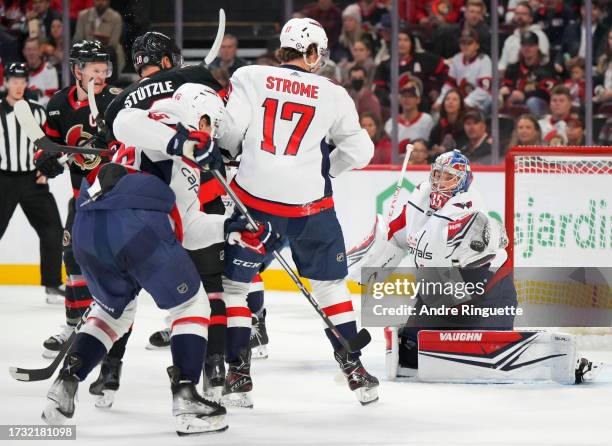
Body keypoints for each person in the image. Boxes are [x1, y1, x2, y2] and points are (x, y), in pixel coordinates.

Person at [40, 89, 234, 434]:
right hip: (136, 219)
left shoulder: (177, 149)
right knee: (192, 306)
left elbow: (188, 230)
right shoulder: (167, 119)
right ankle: (186, 396)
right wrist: (185, 143)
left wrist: (231, 229)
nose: (213, 134)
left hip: (91, 226)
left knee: (113, 313)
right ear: (198, 114)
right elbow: (125, 121)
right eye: (211, 124)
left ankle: (64, 386)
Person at [218, 17, 379, 406]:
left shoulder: (249, 76)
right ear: (309, 52)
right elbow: (362, 152)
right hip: (312, 207)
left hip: (254, 202)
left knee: (236, 286)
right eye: (318, 53)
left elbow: (228, 133)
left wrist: (231, 157)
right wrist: (326, 171)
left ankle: (238, 373)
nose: (319, 60)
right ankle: (354, 368)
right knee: (329, 287)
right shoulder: (334, 93)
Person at [103, 31, 231, 403]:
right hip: (200, 190)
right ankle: (215, 370)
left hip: (147, 200)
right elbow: (219, 126)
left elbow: (116, 144)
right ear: (168, 59)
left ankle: (109, 373)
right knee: (211, 286)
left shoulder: (124, 101)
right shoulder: (193, 77)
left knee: (124, 291)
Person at [347, 150, 514, 377]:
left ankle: (487, 337)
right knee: (410, 353)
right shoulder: (421, 202)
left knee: (488, 355)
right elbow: (395, 236)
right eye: (437, 174)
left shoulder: (470, 210)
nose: (440, 182)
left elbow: (480, 245)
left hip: (489, 293)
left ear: (463, 181)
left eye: (449, 177)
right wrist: (368, 267)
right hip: (443, 290)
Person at [35, 40, 121, 362]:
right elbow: (49, 145)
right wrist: (46, 160)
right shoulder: (59, 104)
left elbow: (130, 145)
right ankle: (74, 325)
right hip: (81, 198)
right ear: (77, 70)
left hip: (114, 199)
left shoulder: (115, 101)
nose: (102, 75)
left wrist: (112, 137)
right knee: (71, 257)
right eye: (95, 70)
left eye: (104, 69)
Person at [0, 62, 63, 301]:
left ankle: (52, 283)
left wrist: (46, 169)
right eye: (13, 81)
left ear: (27, 83)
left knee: (53, 230)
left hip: (33, 179)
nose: (18, 85)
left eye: (22, 81)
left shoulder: (38, 111)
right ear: (6, 82)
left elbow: (49, 143)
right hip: (3, 179)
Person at [373, 27, 447, 109]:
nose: (402, 43)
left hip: (422, 108)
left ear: (411, 43)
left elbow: (445, 68)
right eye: (399, 40)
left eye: (406, 40)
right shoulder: (385, 65)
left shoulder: (423, 59)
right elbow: (378, 90)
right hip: (395, 110)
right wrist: (392, 98)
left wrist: (436, 88)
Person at [501, 31, 559, 118]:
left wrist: (524, 95)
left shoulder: (546, 66)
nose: (527, 49)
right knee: (493, 100)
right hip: (515, 100)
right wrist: (506, 91)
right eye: (524, 45)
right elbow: (506, 86)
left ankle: (538, 127)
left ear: (537, 46)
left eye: (531, 45)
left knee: (532, 102)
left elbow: (546, 93)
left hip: (540, 103)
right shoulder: (513, 67)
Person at [434, 29, 492, 113]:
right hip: (461, 100)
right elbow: (450, 85)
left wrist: (465, 102)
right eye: (463, 43)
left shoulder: (484, 60)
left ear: (477, 45)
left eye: (469, 43)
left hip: (482, 101)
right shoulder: (456, 58)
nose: (465, 46)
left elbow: (485, 89)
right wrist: (440, 101)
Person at [384, 74, 434, 154]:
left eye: (411, 96)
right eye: (404, 96)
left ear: (418, 99)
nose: (407, 99)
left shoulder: (427, 120)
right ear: (399, 99)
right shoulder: (391, 122)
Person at [73, 0, 124, 74]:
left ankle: (110, 78)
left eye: (103, 0)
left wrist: (103, 40)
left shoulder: (116, 17)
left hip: (107, 51)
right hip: (86, 50)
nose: (100, 3)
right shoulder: (83, 15)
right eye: (97, 0)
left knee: (112, 51)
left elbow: (113, 43)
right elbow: (78, 38)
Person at [499, 1, 550, 72]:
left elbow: (544, 61)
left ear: (531, 18)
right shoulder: (510, 39)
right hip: (510, 76)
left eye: (524, 14)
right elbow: (502, 63)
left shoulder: (540, 36)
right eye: (517, 14)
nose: (519, 17)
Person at [429, 88, 467, 158]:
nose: (450, 102)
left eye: (454, 99)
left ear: (461, 104)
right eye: (447, 99)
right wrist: (435, 147)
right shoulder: (440, 125)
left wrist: (446, 150)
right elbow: (431, 143)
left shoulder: (466, 125)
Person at [22, 36, 58, 107]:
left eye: (34, 49)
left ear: (40, 51)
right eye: (28, 49)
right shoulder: (20, 70)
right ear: (24, 52)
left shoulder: (49, 70)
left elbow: (52, 100)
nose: (31, 53)